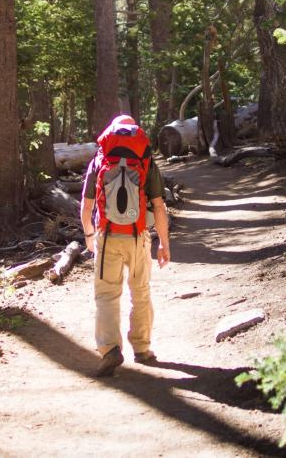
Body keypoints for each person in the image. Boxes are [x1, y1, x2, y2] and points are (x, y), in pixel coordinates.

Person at [80, 115, 171, 377]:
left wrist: (89, 234)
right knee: (140, 291)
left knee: (107, 295)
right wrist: (164, 243)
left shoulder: (100, 158)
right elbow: (158, 206)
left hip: (107, 236)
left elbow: (86, 207)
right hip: (138, 236)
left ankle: (110, 350)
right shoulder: (144, 159)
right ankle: (142, 349)